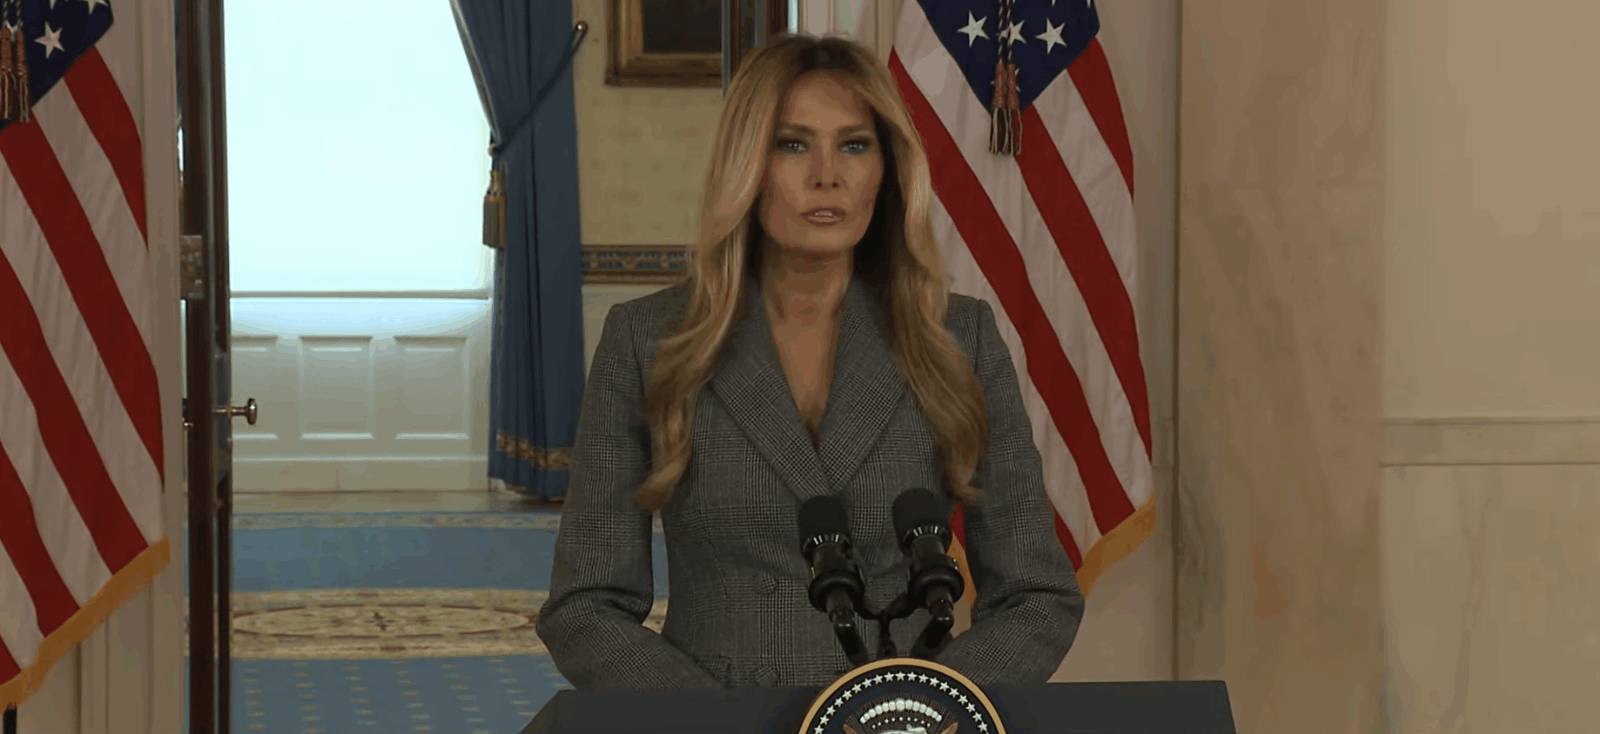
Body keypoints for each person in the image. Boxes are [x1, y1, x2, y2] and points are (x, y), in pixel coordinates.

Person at [535, 34, 1083, 690]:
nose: (828, 175)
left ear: (887, 167)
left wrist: (921, 713)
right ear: (747, 164)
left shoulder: (958, 336)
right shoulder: (647, 339)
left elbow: (1036, 596)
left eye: (855, 145)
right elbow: (585, 606)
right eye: (792, 145)